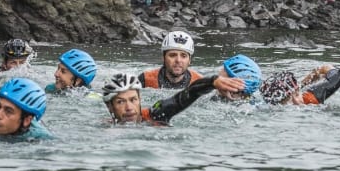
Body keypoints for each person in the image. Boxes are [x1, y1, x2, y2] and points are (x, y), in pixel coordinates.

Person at [100, 54, 253, 125]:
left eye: (133, 100)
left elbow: (187, 95)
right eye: (121, 102)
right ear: (109, 106)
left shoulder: (156, 113)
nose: (129, 108)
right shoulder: (103, 128)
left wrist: (212, 81)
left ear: (140, 100)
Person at [137, 30, 203, 90]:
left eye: (183, 56)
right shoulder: (145, 79)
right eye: (173, 55)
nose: (178, 60)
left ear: (189, 60)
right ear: (163, 57)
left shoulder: (199, 83)